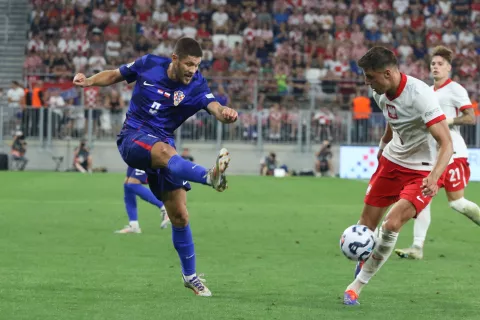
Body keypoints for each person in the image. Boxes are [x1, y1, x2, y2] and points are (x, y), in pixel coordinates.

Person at [73, 37, 238, 297]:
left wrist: (225, 113)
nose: (192, 70)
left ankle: (190, 276)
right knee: (164, 152)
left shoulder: (196, 84)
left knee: (180, 216)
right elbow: (116, 75)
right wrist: (89, 81)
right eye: (188, 64)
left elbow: (213, 106)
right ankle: (209, 177)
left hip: (164, 145)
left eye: (196, 65)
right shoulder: (149, 64)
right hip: (133, 137)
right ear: (175, 59)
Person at [343, 46, 453, 305]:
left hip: (423, 170)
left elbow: (446, 143)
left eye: (370, 76)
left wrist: (435, 177)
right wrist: (382, 147)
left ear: (388, 73)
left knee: (391, 225)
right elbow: (393, 120)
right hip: (392, 162)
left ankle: (355, 287)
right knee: (365, 227)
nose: (366, 82)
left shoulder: (420, 96)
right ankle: (364, 259)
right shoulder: (379, 92)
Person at [395, 46, 480, 260]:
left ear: (449, 68)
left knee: (457, 203)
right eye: (433, 64)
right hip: (434, 156)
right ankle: (416, 248)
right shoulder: (428, 92)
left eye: (440, 64)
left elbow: (471, 118)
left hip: (453, 153)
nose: (435, 67)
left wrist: (448, 120)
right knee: (423, 197)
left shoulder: (455, 89)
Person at [115, 166, 170, 234]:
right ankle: (133, 225)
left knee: (133, 184)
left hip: (149, 156)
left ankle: (166, 208)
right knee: (127, 184)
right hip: (134, 157)